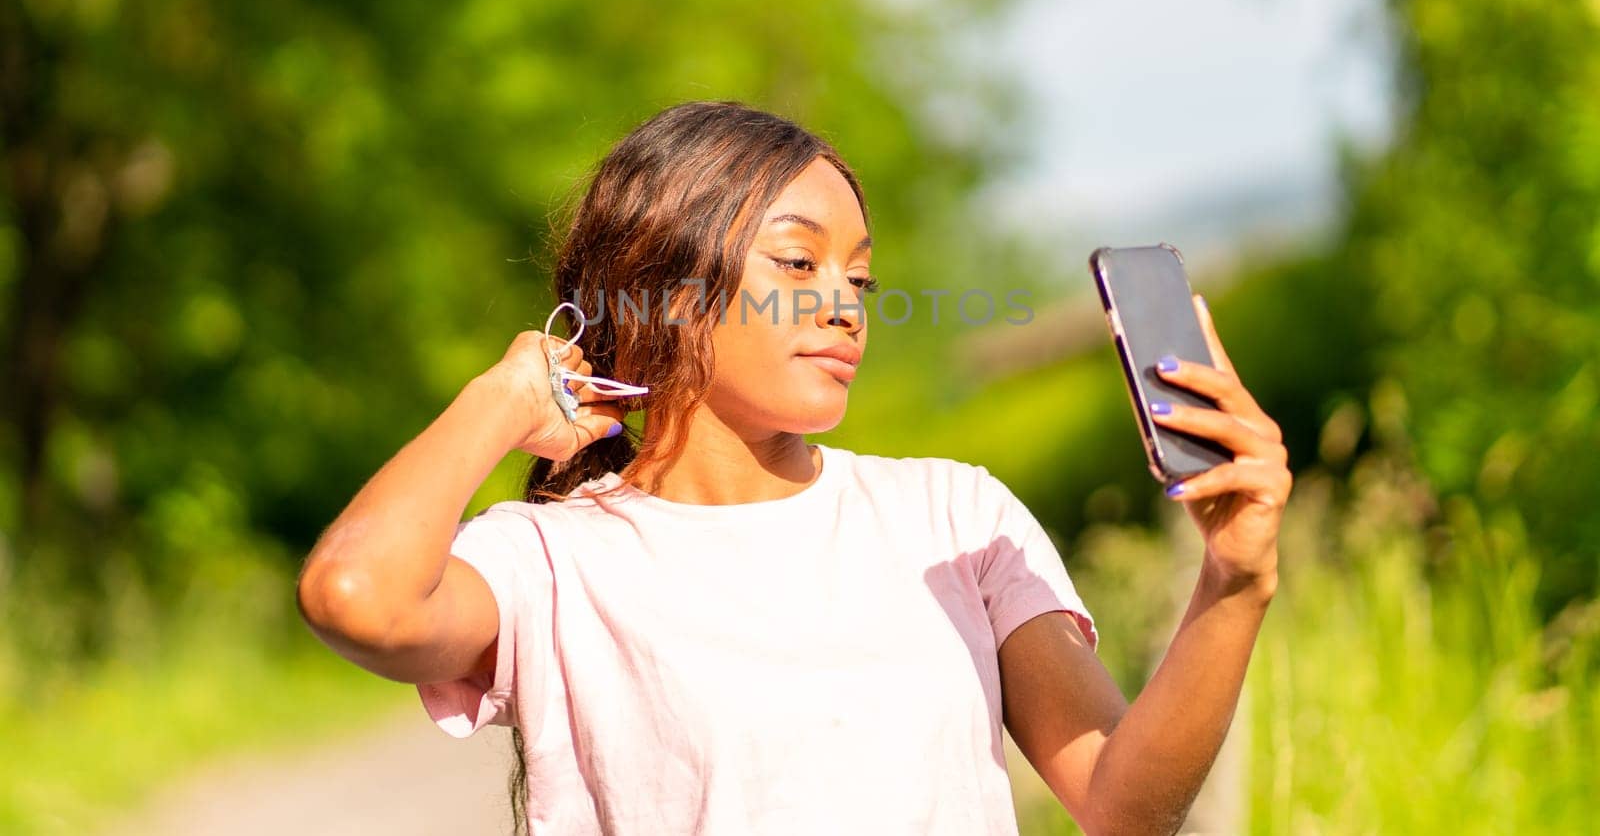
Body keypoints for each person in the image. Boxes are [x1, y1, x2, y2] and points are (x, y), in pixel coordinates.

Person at [296, 101, 1292, 836]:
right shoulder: (549, 561)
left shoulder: (955, 515)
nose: (845, 303)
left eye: (859, 275)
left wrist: (1235, 579)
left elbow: (1125, 804)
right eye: (798, 262)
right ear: (668, 287)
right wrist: (503, 400)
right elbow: (353, 592)